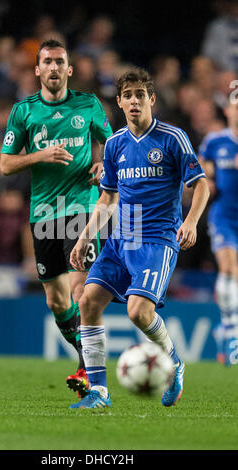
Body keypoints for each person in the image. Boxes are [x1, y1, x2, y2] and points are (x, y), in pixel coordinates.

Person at [69, 68, 209, 409]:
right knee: (87, 302)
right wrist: (85, 237)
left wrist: (190, 222)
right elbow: (107, 199)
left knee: (137, 311)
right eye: (128, 95)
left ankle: (173, 362)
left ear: (151, 99)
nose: (134, 101)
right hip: (121, 239)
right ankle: (99, 392)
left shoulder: (173, 138)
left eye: (140, 95)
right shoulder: (115, 144)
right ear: (119, 102)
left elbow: (200, 184)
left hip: (158, 239)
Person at [0, 39, 113, 397]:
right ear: (37, 70)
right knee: (56, 301)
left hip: (82, 207)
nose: (52, 67)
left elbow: (112, 145)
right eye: (46, 61)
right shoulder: (23, 111)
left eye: (59, 62)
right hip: (43, 213)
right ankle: (84, 357)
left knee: (81, 292)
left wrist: (101, 165)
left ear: (69, 69)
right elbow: (5, 163)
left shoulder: (88, 104)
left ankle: (89, 374)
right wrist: (39, 155)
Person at [198, 99, 238, 366]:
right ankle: (232, 331)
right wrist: (208, 177)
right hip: (224, 214)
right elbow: (200, 170)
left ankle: (226, 329)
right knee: (228, 267)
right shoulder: (215, 141)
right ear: (227, 110)